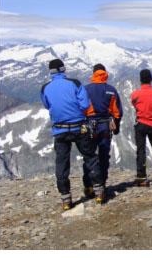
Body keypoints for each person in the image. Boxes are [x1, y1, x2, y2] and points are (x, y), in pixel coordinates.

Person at [40, 59, 105, 210]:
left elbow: (47, 105)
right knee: (90, 157)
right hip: (79, 127)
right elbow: (85, 105)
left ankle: (66, 199)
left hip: (60, 130)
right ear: (63, 69)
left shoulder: (45, 88)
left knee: (62, 163)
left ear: (50, 72)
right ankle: (99, 192)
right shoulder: (75, 83)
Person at [83, 64, 123, 199]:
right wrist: (116, 126)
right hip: (105, 127)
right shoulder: (111, 90)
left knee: (89, 156)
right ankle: (101, 185)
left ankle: (89, 185)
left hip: (89, 127)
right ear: (105, 73)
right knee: (103, 156)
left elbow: (81, 108)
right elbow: (117, 112)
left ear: (93, 74)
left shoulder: (85, 89)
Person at [131, 69, 152, 187]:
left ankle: (142, 177)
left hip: (140, 123)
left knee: (141, 150)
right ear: (151, 79)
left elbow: (134, 104)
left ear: (140, 80)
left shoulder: (135, 94)